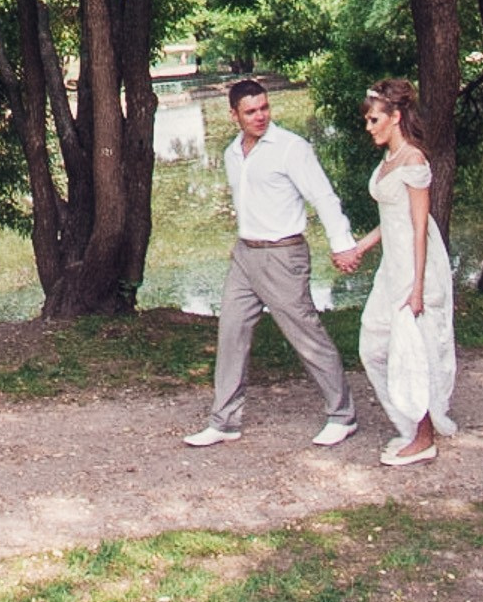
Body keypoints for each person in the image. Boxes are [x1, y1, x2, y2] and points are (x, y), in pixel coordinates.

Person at [184, 76, 364, 449]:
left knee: (306, 335)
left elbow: (324, 197)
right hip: (245, 255)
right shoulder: (233, 152)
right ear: (234, 115)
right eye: (251, 111)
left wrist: (342, 243)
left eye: (264, 108)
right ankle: (224, 421)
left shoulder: (291, 148)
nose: (260, 116)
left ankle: (342, 415)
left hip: (283, 255)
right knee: (231, 332)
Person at [347, 76, 459, 467]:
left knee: (413, 351)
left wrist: (416, 289)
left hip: (416, 269)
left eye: (374, 120)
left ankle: (424, 436)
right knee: (372, 345)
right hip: (391, 267)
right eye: (368, 120)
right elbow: (390, 218)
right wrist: (360, 246)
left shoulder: (413, 160)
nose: (369, 126)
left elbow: (419, 226)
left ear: (395, 117)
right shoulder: (389, 160)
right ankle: (410, 425)